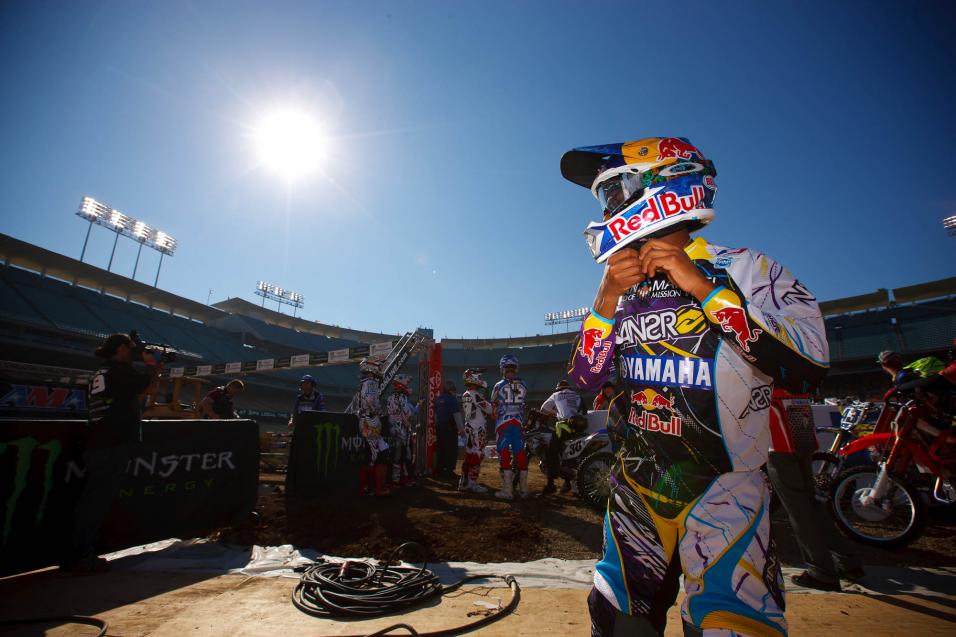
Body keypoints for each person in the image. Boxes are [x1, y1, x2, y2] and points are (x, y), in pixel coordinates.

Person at [562, 136, 829, 637]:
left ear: (667, 183)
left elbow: (809, 364)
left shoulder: (746, 268)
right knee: (617, 620)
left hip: (727, 491)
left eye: (614, 191)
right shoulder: (621, 287)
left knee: (732, 625)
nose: (610, 208)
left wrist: (704, 287)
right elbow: (582, 379)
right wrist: (603, 301)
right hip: (638, 488)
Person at [63, 333, 162, 572]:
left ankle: (80, 552)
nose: (133, 352)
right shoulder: (119, 370)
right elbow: (150, 389)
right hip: (112, 443)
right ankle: (80, 556)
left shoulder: (101, 372)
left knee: (92, 500)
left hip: (98, 441)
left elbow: (133, 394)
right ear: (120, 348)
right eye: (130, 348)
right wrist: (151, 365)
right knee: (95, 503)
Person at [766, 391, 864, 592]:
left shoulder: (761, 362)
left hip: (779, 435)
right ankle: (846, 560)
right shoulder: (794, 362)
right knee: (809, 503)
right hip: (800, 423)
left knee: (799, 509)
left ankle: (821, 572)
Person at [491, 354, 529, 499]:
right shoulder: (524, 384)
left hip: (503, 423)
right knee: (520, 452)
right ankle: (524, 490)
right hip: (518, 422)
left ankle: (507, 490)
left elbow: (493, 405)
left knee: (505, 452)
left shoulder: (499, 385)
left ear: (502, 368)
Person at [539, 380, 585, 495]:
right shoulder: (577, 395)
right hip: (579, 427)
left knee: (551, 452)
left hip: (564, 427)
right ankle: (568, 483)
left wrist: (556, 413)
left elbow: (543, 409)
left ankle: (550, 484)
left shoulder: (556, 395)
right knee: (569, 454)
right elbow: (584, 411)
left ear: (558, 388)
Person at [354, 357, 389, 496]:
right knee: (373, 455)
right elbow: (369, 399)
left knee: (379, 452)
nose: (381, 370)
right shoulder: (371, 382)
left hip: (366, 419)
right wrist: (377, 410)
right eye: (379, 367)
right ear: (372, 368)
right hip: (370, 420)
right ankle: (370, 488)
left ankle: (373, 487)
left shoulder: (364, 383)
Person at [459, 369, 493, 493]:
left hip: (469, 427)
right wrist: (492, 403)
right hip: (476, 429)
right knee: (477, 456)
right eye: (478, 376)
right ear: (473, 378)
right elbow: (489, 409)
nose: (480, 379)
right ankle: (472, 484)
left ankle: (464, 482)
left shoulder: (465, 394)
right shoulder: (474, 394)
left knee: (469, 456)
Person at [386, 373, 418, 486]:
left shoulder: (390, 397)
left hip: (392, 428)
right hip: (402, 430)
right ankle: (404, 479)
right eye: (407, 383)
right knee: (405, 455)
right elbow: (408, 413)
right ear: (402, 384)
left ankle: (395, 479)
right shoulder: (402, 397)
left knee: (395, 454)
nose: (408, 386)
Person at [433, 380, 462, 480]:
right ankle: (449, 471)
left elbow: (436, 416)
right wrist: (461, 429)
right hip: (450, 429)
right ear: (451, 389)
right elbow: (457, 415)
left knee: (441, 449)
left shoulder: (438, 399)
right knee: (451, 450)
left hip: (440, 428)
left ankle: (440, 470)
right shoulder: (452, 399)